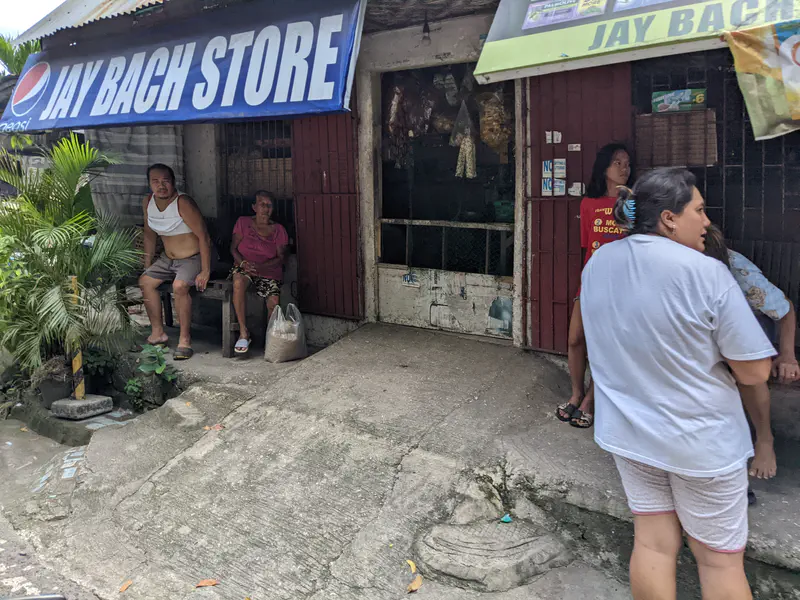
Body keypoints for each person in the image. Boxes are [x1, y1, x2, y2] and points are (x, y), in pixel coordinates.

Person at [582, 168, 775, 600]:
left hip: (632, 437)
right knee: (718, 561)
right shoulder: (706, 273)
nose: (706, 222)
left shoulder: (599, 262)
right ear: (669, 218)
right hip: (701, 443)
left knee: (652, 543)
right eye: (700, 210)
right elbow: (756, 372)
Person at [704, 224, 799, 495]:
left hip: (750, 331)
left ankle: (764, 440)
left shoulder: (737, 270)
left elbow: (784, 308)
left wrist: (788, 355)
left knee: (744, 369)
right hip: (711, 333)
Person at [555, 143, 631, 429]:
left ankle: (590, 400)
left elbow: (636, 243)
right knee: (576, 338)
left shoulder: (631, 203)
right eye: (618, 163)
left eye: (627, 163)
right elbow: (587, 245)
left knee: (606, 347)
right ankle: (576, 393)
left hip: (620, 285)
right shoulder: (589, 203)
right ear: (604, 168)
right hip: (591, 279)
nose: (624, 169)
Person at [139, 164, 212, 361]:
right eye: (155, 181)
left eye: (165, 181)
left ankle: (184, 339)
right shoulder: (148, 202)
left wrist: (205, 270)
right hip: (167, 259)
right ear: (149, 184)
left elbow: (204, 237)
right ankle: (157, 333)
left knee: (179, 286)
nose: (160, 185)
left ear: (173, 182)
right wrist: (147, 263)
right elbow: (149, 234)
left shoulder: (183, 203)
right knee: (145, 282)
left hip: (191, 258)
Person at [229, 190, 289, 354]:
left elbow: (281, 257)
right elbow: (233, 248)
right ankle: (243, 332)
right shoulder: (243, 222)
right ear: (254, 207)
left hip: (268, 269)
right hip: (245, 266)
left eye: (269, 205)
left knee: (273, 302)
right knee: (238, 281)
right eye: (262, 204)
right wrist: (243, 263)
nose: (266, 208)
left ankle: (270, 339)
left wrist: (262, 267)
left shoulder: (278, 229)